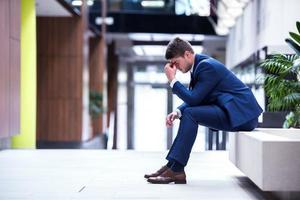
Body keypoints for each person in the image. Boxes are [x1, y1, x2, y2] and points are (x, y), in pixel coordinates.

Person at [145, 37, 263, 184]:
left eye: (176, 62)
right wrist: (177, 112)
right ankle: (172, 166)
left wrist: (173, 80)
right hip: (229, 110)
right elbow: (198, 97)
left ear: (187, 54)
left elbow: (194, 99)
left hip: (241, 115)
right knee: (187, 113)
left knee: (191, 114)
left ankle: (176, 169)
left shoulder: (206, 66)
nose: (175, 67)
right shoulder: (199, 66)